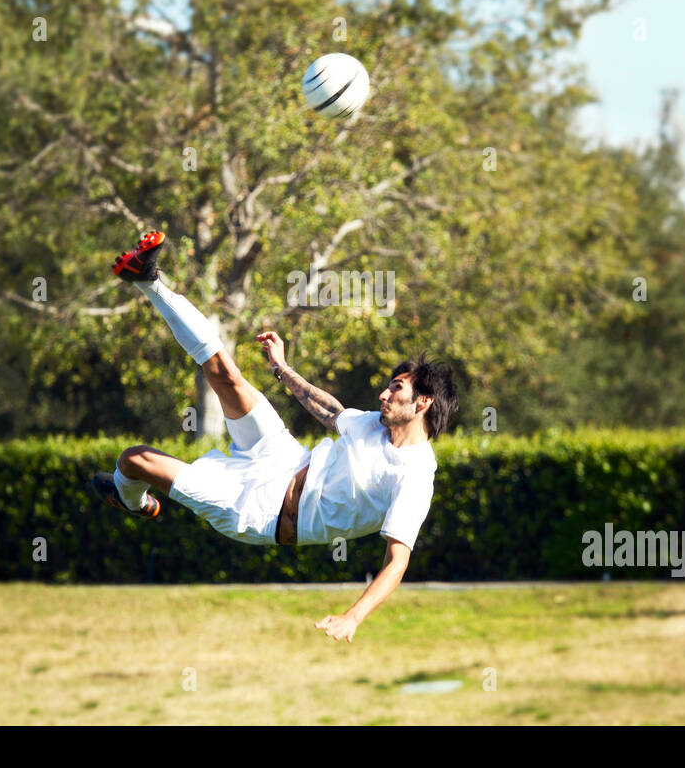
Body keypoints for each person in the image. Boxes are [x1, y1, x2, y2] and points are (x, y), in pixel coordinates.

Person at [90, 230, 459, 642]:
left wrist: (353, 617)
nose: (383, 394)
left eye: (396, 390)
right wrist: (282, 368)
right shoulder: (376, 423)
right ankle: (148, 279)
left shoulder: (416, 475)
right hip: (283, 457)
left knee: (133, 460)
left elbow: (397, 562)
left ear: (423, 403)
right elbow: (331, 411)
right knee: (225, 373)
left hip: (258, 511)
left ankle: (134, 502)